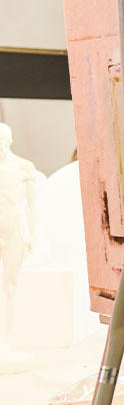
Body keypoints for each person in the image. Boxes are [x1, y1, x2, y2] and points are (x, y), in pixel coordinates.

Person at [0, 123, 38, 343]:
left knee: (11, 285)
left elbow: (33, 205)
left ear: (9, 142)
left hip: (14, 229)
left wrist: (31, 234)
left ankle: (8, 338)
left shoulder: (23, 168)